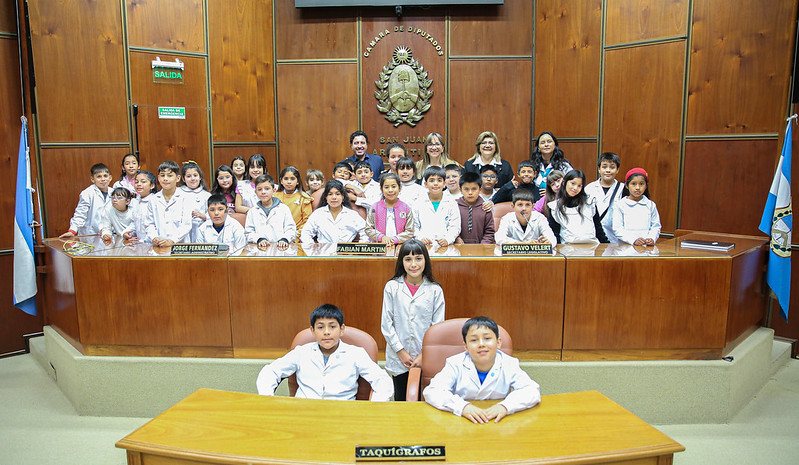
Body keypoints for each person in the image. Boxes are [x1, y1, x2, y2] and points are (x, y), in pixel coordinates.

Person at [256, 303, 393, 401]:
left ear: (342, 329)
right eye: (320, 327)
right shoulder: (302, 352)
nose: (326, 332)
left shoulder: (355, 354)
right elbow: (270, 371)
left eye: (332, 326)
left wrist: (375, 407)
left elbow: (382, 379)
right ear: (313, 331)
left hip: (341, 415)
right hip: (304, 413)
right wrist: (268, 400)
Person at [423, 316, 541, 424]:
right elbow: (432, 391)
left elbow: (531, 391)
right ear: (466, 346)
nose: (481, 344)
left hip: (497, 421)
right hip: (461, 420)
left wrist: (505, 406)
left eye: (487, 338)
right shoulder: (455, 364)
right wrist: (462, 407)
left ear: (498, 342)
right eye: (474, 340)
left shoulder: (509, 363)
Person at [381, 239, 445, 400]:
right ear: (401, 262)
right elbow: (386, 324)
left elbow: (437, 327)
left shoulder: (435, 290)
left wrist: (424, 355)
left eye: (418, 258)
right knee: (402, 399)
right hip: (399, 357)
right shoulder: (392, 287)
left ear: (425, 260)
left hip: (426, 357)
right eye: (408, 259)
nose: (413, 264)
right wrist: (401, 352)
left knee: (425, 400)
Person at [547, 170, 608, 244]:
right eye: (572, 183)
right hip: (567, 250)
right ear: (564, 182)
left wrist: (607, 245)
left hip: (592, 248)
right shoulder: (554, 207)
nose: (575, 188)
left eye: (579, 186)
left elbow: (599, 230)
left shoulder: (590, 203)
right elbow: (554, 234)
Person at [300, 179, 366, 245]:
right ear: (326, 197)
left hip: (346, 253)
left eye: (337, 194)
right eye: (330, 194)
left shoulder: (352, 215)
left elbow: (366, 232)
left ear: (343, 197)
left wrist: (358, 249)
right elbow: (305, 234)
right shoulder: (318, 214)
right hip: (323, 252)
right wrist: (313, 250)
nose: (334, 197)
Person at [144, 160, 193, 246]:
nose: (165, 179)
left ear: (178, 178)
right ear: (158, 178)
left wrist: (172, 240)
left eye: (170, 176)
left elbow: (186, 225)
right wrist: (154, 238)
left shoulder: (185, 198)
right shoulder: (153, 199)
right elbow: (149, 224)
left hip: (179, 245)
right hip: (159, 245)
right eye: (162, 175)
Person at [60, 163, 113, 238]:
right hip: (90, 234)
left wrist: (108, 230)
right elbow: (80, 214)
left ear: (110, 178)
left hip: (108, 234)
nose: (103, 179)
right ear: (92, 179)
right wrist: (72, 230)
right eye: (99, 177)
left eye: (105, 176)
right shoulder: (87, 193)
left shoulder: (113, 193)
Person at [245, 174, 297, 249]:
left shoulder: (283, 208)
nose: (263, 192)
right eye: (259, 189)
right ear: (255, 192)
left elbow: (291, 229)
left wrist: (285, 239)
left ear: (274, 190)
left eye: (267, 189)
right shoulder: (252, 211)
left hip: (281, 249)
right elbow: (249, 232)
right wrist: (259, 239)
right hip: (260, 250)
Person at [612, 168, 661, 246]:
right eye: (633, 184)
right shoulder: (620, 205)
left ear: (646, 186)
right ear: (627, 186)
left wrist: (651, 238)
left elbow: (656, 226)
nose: (637, 187)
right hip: (625, 248)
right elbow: (617, 229)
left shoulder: (650, 205)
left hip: (646, 248)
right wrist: (633, 240)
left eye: (641, 184)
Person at [413, 166, 461, 246]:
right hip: (423, 246)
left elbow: (455, 226)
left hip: (446, 246)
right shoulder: (418, 202)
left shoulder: (451, 203)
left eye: (439, 180)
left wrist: (447, 239)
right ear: (426, 184)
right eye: (431, 180)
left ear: (444, 184)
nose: (435, 183)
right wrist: (420, 238)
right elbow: (414, 225)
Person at [365, 172, 415, 244]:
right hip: (380, 246)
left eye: (394, 186)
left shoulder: (406, 208)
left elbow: (410, 231)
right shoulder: (375, 207)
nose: (390, 190)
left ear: (399, 188)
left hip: (401, 246)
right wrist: (381, 237)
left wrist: (395, 239)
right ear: (381, 189)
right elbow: (368, 228)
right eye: (386, 187)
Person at [584, 152, 623, 243]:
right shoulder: (589, 188)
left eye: (612, 167)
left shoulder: (623, 189)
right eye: (604, 167)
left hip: (616, 237)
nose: (608, 170)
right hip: (594, 236)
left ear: (617, 170)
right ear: (599, 169)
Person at [454, 172, 495, 244]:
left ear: (480, 189)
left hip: (481, 250)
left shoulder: (485, 207)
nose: (470, 193)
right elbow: (450, 227)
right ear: (460, 190)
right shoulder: (454, 206)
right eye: (466, 189)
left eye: (474, 189)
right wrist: (456, 238)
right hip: (458, 248)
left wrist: (483, 245)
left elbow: (489, 231)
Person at [274, 166, 313, 236]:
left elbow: (307, 222)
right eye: (286, 179)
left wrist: (295, 235)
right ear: (281, 181)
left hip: (297, 236)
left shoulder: (304, 198)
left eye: (292, 179)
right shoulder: (275, 197)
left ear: (298, 181)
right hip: (277, 235)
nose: (289, 182)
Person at [531, 131, 572, 197]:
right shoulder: (533, 166)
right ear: (538, 148)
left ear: (555, 145)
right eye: (542, 142)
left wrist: (552, 193)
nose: (546, 144)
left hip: (558, 201)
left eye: (549, 141)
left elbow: (571, 186)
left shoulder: (564, 166)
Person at [179, 161, 211, 242]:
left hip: (200, 229)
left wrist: (203, 216)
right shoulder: (178, 193)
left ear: (200, 177)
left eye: (195, 175)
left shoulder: (206, 195)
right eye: (188, 176)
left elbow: (212, 215)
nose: (192, 179)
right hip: (181, 232)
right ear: (183, 178)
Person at [123, 170, 157, 243]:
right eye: (136, 182)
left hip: (153, 243)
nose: (139, 184)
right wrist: (127, 232)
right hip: (140, 244)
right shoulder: (135, 202)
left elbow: (155, 226)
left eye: (143, 182)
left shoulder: (155, 201)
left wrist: (145, 240)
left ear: (152, 186)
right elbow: (134, 222)